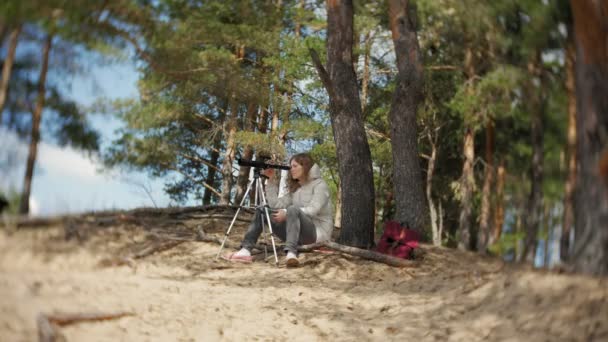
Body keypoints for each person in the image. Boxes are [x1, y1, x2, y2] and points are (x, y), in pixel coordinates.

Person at [225, 153, 334, 267]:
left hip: (318, 234)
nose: (291, 169)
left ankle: (291, 254)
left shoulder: (320, 185)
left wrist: (287, 213)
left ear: (305, 166)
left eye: (295, 166)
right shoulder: (296, 190)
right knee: (263, 210)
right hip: (297, 235)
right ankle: (245, 251)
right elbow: (275, 204)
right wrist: (270, 180)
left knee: (292, 209)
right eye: (290, 166)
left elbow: (313, 209)